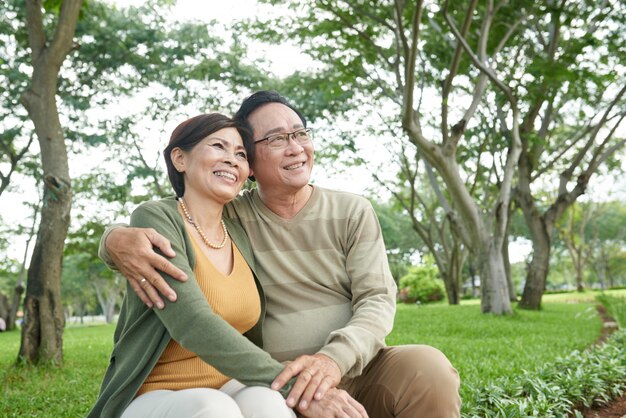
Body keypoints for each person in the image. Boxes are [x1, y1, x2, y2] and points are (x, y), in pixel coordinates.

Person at [101, 91, 461, 418]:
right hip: (274, 375)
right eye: (275, 139)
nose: (294, 147)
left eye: (300, 134)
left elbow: (378, 299)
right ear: (252, 167)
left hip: (350, 367)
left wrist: (333, 361)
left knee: (427, 367)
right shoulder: (231, 214)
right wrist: (113, 239)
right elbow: (176, 218)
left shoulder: (352, 211)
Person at [89, 113, 297, 418]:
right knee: (215, 409)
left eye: (240, 154)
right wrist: (289, 382)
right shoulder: (157, 218)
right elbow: (192, 321)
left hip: (228, 385)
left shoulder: (239, 233)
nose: (232, 160)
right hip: (155, 393)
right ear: (180, 159)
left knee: (269, 404)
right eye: (218, 146)